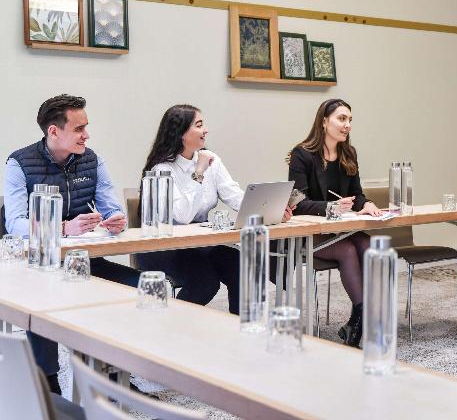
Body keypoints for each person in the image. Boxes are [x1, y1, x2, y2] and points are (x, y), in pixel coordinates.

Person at [3, 94, 140, 394]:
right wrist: (64, 228)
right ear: (54, 131)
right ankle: (48, 383)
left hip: (83, 260)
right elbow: (15, 224)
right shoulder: (19, 163)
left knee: (138, 286)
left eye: (86, 127)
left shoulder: (93, 160)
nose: (86, 135)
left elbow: (111, 208)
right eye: (79, 129)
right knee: (41, 299)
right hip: (37, 265)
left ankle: (113, 373)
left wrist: (115, 220)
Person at [137, 104, 292, 314]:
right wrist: (199, 173)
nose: (206, 130)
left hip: (201, 243)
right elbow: (182, 216)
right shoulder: (162, 169)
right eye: (199, 125)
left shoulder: (212, 160)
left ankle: (239, 328)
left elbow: (234, 195)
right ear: (181, 133)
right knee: (205, 283)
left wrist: (272, 211)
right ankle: (172, 325)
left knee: (244, 269)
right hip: (166, 246)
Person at [288, 99, 382, 347]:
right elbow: (298, 203)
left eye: (349, 120)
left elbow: (357, 195)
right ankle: (364, 320)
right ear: (324, 121)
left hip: (340, 229)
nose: (347, 125)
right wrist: (330, 207)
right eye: (341, 119)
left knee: (369, 246)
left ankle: (356, 322)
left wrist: (366, 204)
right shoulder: (302, 155)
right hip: (311, 232)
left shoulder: (349, 154)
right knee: (348, 250)